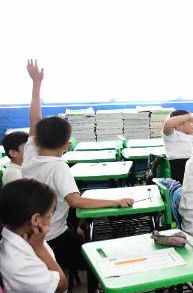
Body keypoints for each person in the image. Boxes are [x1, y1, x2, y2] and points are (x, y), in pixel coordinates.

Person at [0, 179, 148, 293]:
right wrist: (40, 248)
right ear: (35, 220)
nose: (51, 219)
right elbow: (62, 284)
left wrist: (39, 245)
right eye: (50, 214)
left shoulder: (28, 237)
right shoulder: (15, 257)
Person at [22, 59, 133, 270]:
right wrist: (116, 201)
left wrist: (36, 84)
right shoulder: (58, 167)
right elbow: (75, 201)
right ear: (66, 145)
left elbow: (34, 118)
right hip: (53, 236)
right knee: (95, 264)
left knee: (80, 231)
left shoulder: (31, 152)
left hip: (31, 232)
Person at [162, 110, 193, 183]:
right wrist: (189, 116)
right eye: (190, 122)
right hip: (180, 167)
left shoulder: (190, 136)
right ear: (179, 124)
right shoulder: (171, 135)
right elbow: (168, 123)